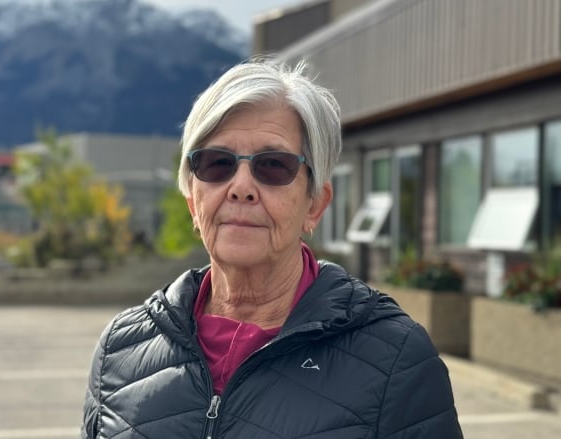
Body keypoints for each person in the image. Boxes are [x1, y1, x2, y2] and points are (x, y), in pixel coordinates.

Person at [81, 58, 463, 438]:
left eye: (273, 166)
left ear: (314, 203)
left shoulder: (396, 361)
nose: (241, 186)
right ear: (193, 203)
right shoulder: (120, 349)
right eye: (217, 164)